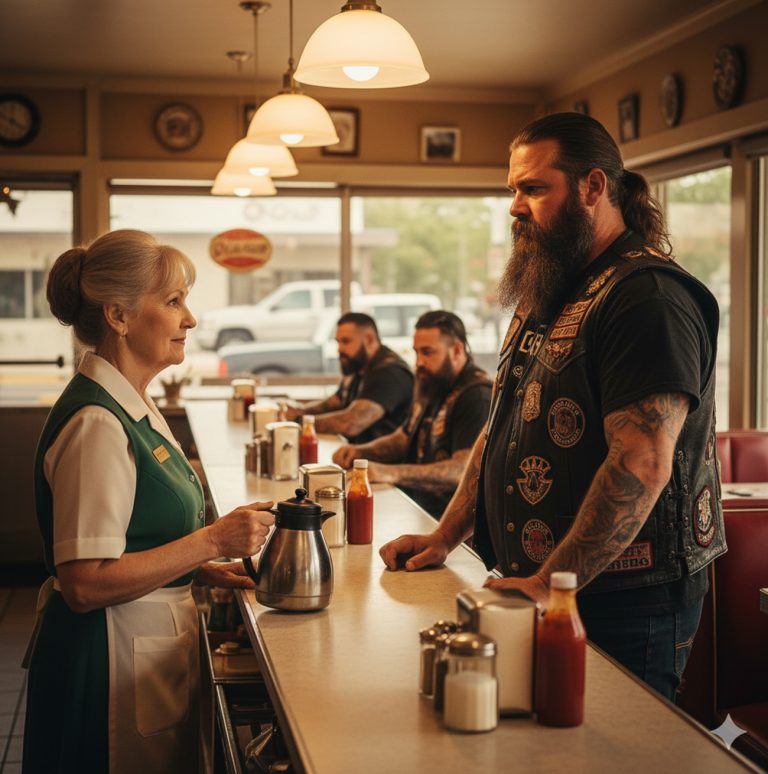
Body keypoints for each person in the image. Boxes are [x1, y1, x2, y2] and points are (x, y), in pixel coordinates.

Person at [380, 112, 725, 702]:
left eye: (534, 188)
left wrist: (549, 584)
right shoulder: (550, 288)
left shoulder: (647, 298)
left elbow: (641, 462)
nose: (515, 206)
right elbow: (499, 431)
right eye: (513, 189)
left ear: (593, 188)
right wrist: (444, 535)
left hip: (622, 601)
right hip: (545, 589)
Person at [23, 229, 275, 773]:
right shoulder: (97, 424)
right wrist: (213, 538)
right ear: (119, 315)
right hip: (105, 662)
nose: (191, 318)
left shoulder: (133, 404)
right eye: (174, 301)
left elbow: (138, 534)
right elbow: (85, 582)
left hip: (145, 652)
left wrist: (204, 568)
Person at [332, 310, 492, 518]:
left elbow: (462, 470)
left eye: (427, 352)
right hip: (416, 508)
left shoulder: (477, 395)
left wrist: (389, 472)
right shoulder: (434, 382)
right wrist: (360, 452)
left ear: (457, 350)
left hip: (450, 525)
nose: (419, 362)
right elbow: (405, 437)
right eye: (416, 352)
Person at [284, 312, 413, 444]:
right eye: (338, 342)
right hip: (355, 453)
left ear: (369, 339)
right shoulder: (358, 367)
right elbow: (333, 403)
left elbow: (351, 423)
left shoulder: (389, 373)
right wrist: (299, 410)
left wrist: (297, 422)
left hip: (378, 461)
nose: (340, 349)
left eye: (346, 341)